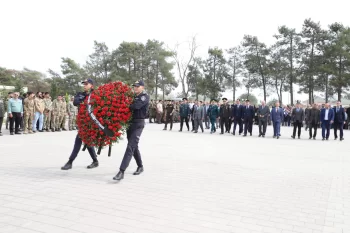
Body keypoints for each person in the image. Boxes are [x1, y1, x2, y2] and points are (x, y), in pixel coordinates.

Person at [114, 80, 149, 181]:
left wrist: (127, 105)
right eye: (134, 86)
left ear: (142, 87)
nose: (135, 88)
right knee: (133, 146)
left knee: (130, 147)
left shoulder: (144, 96)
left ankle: (121, 171)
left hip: (139, 124)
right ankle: (140, 166)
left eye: (138, 86)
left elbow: (136, 106)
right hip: (131, 124)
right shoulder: (132, 96)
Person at [61, 79, 99, 170]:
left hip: (91, 122)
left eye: (86, 84)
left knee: (79, 140)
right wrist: (85, 97)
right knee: (87, 141)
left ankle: (70, 162)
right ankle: (95, 161)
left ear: (92, 85)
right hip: (82, 121)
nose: (84, 85)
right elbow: (75, 102)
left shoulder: (96, 94)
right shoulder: (80, 94)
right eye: (84, 84)